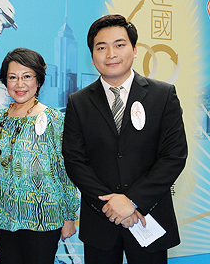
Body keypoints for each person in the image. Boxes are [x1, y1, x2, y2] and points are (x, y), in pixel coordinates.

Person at [62, 14, 187, 264]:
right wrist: (112, 206)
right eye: (101, 47)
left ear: (135, 49)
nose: (111, 54)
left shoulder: (163, 95)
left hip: (147, 217)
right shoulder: (79, 102)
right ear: (92, 55)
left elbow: (173, 156)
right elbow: (75, 160)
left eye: (119, 45)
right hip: (101, 222)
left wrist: (132, 201)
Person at [0, 47, 80, 264]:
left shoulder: (54, 118)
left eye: (27, 76)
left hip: (43, 215)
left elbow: (65, 169)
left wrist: (70, 216)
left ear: (38, 80)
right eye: (13, 77)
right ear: (4, 81)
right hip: (6, 216)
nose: (20, 84)